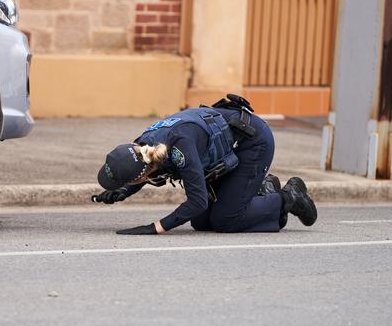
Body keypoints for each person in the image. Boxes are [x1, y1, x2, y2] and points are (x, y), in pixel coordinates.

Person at [93, 94, 317, 235]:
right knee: (201, 223)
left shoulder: (180, 148)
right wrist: (122, 191)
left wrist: (156, 227)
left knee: (225, 220)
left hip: (254, 142)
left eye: (129, 181)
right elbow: (143, 169)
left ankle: (287, 198)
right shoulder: (144, 145)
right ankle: (260, 190)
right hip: (227, 149)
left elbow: (197, 201)